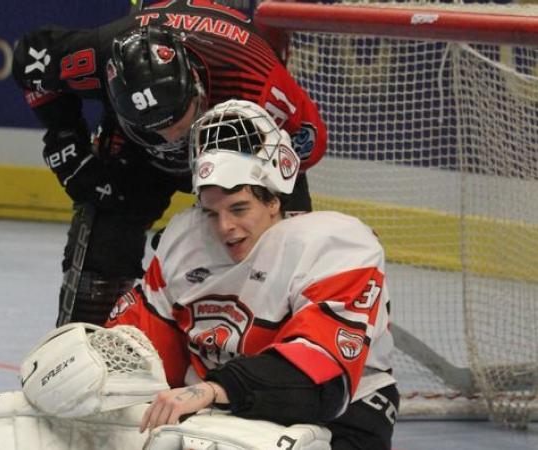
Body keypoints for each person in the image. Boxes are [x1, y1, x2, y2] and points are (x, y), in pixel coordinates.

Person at [11, 0, 327, 327]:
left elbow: (307, 148)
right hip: (138, 156)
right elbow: (27, 59)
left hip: (232, 143)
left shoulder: (258, 82)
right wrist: (67, 143)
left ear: (195, 85)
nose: (172, 140)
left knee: (282, 256)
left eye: (178, 124)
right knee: (102, 251)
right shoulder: (99, 54)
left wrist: (243, 210)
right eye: (156, 132)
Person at [105, 100, 398, 449]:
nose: (225, 227)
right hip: (219, 410)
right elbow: (143, 349)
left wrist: (211, 391)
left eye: (239, 208)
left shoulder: (339, 248)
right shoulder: (184, 242)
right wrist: (100, 368)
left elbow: (318, 383)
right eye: (212, 212)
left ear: (274, 200)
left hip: (341, 412)